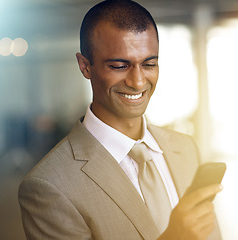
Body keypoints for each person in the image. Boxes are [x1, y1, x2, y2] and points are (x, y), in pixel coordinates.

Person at [18, 0, 222, 239]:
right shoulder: (48, 186)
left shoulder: (185, 148)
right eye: (119, 65)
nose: (137, 81)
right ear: (85, 66)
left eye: (149, 64)